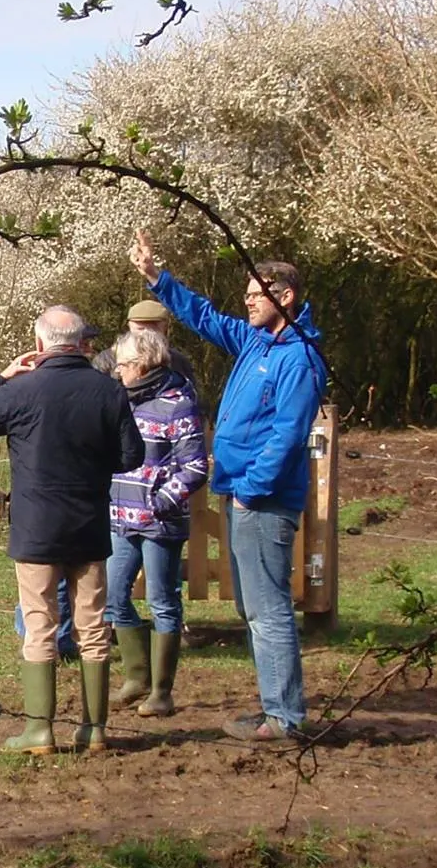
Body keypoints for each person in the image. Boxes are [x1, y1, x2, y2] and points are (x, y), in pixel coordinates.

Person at [132, 232, 325, 743]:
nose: (248, 302)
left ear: (286, 297)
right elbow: (206, 318)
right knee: (252, 608)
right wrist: (157, 278)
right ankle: (274, 708)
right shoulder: (257, 341)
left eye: (257, 294)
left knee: (267, 609)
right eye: (246, 294)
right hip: (242, 493)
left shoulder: (298, 359)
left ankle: (284, 718)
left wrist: (251, 489)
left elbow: (288, 434)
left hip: (262, 499)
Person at [0, 305, 140, 754]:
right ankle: (94, 729)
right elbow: (131, 456)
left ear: (39, 345)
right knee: (92, 627)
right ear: (80, 343)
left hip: (36, 529)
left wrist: (2, 376)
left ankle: (39, 732)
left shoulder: (21, 390)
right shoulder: (108, 390)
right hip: (89, 525)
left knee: (40, 624)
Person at [106, 324, 207, 716]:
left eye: (123, 364)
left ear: (144, 364)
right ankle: (136, 677)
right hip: (120, 517)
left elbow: (194, 467)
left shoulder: (178, 403)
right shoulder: (122, 401)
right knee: (114, 596)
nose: (118, 371)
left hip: (160, 523)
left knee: (162, 602)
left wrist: (160, 502)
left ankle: (162, 692)